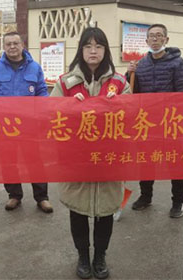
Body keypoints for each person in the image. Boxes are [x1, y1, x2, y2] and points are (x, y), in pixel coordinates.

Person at [51, 27, 130, 280]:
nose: (93, 51)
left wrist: (118, 108)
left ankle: (100, 256)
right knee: (78, 211)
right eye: (88, 46)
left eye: (98, 46)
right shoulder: (65, 83)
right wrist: (68, 108)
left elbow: (132, 119)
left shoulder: (120, 83)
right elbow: (51, 116)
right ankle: (83, 256)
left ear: (105, 50)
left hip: (108, 160)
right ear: (81, 50)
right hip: (76, 160)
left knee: (105, 213)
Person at [0, 32, 53, 213]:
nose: (12, 47)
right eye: (8, 44)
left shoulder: (34, 68)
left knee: (34, 161)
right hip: (4, 126)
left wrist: (42, 113)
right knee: (8, 161)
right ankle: (14, 195)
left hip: (29, 125)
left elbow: (42, 92)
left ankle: (42, 197)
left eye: (15, 43)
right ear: (4, 47)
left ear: (22, 45)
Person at [126, 23, 183, 218]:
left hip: (171, 122)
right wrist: (129, 74)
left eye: (159, 36)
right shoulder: (141, 64)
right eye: (151, 36)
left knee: (175, 163)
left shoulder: (177, 63)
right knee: (146, 161)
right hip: (147, 123)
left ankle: (178, 202)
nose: (155, 39)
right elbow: (133, 92)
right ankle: (145, 197)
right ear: (146, 40)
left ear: (166, 39)